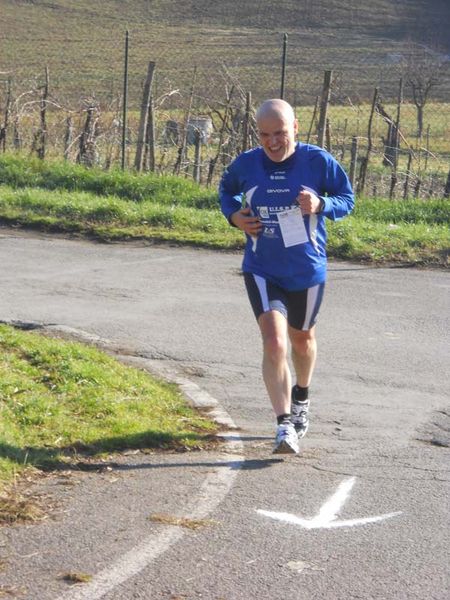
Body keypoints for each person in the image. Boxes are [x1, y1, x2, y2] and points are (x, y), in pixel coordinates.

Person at [219, 98, 354, 454]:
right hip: (262, 267)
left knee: (301, 339)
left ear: (295, 128)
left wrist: (322, 205)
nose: (273, 142)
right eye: (265, 135)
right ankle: (284, 426)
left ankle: (302, 397)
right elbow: (226, 191)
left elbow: (347, 198)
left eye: (280, 133)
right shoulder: (247, 164)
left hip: (307, 269)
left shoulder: (317, 161)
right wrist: (234, 216)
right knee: (275, 342)